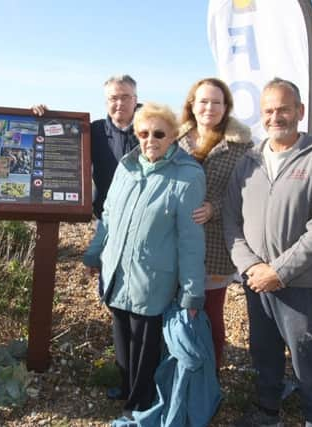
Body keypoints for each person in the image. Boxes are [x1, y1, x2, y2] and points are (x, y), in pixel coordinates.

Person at [223, 78, 312, 427]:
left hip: (300, 282)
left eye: (284, 109)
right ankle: (267, 410)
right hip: (255, 279)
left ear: (300, 112)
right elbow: (232, 219)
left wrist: (279, 271)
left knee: (306, 351)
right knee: (263, 349)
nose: (276, 117)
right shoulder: (249, 162)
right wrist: (251, 267)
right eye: (269, 111)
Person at [83, 102, 206, 418]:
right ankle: (127, 388)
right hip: (118, 271)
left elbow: (191, 239)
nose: (150, 140)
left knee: (145, 345)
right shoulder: (127, 167)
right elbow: (108, 215)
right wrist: (95, 253)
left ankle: (139, 403)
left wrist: (193, 291)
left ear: (173, 136)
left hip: (152, 277)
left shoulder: (187, 176)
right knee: (122, 335)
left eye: (159, 133)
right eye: (143, 133)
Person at [177, 77, 253, 369]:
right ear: (192, 105)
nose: (209, 107)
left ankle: (211, 373)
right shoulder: (175, 140)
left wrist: (215, 208)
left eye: (216, 102)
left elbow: (248, 192)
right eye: (203, 101)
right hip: (177, 240)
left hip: (217, 242)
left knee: (210, 312)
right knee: (178, 309)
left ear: (226, 107)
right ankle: (181, 369)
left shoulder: (241, 146)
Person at [32, 74, 139, 219]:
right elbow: (61, 142)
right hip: (107, 216)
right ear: (106, 103)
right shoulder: (94, 131)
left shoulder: (153, 132)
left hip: (144, 216)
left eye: (125, 97)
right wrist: (41, 117)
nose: (119, 103)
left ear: (135, 100)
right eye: (113, 98)